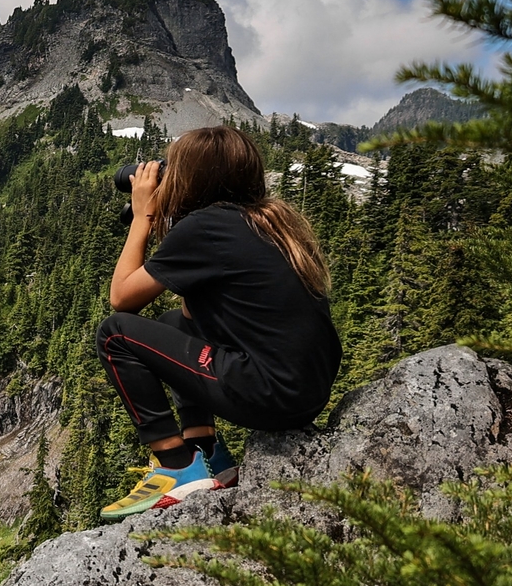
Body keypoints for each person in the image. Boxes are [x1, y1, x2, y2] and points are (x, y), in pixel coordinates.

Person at [96, 125, 341, 519]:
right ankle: (209, 454)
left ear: (191, 178)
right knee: (175, 323)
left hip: (269, 395)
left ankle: (175, 465)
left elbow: (122, 298)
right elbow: (194, 316)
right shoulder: (271, 221)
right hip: (304, 394)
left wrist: (145, 215)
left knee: (113, 334)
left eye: (171, 169)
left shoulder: (206, 227)